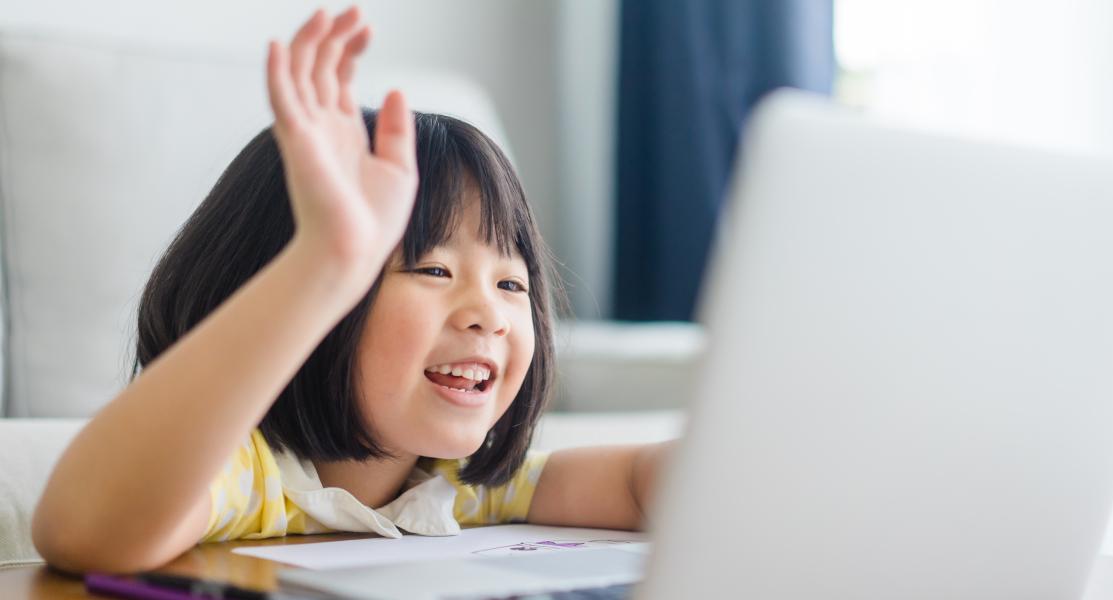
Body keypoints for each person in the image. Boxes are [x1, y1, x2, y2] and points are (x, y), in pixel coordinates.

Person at [32, 6, 670, 574]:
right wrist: (324, 261)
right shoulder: (248, 475)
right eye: (434, 270)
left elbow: (649, 485)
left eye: (511, 283)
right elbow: (85, 533)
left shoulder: (463, 486)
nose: (490, 316)